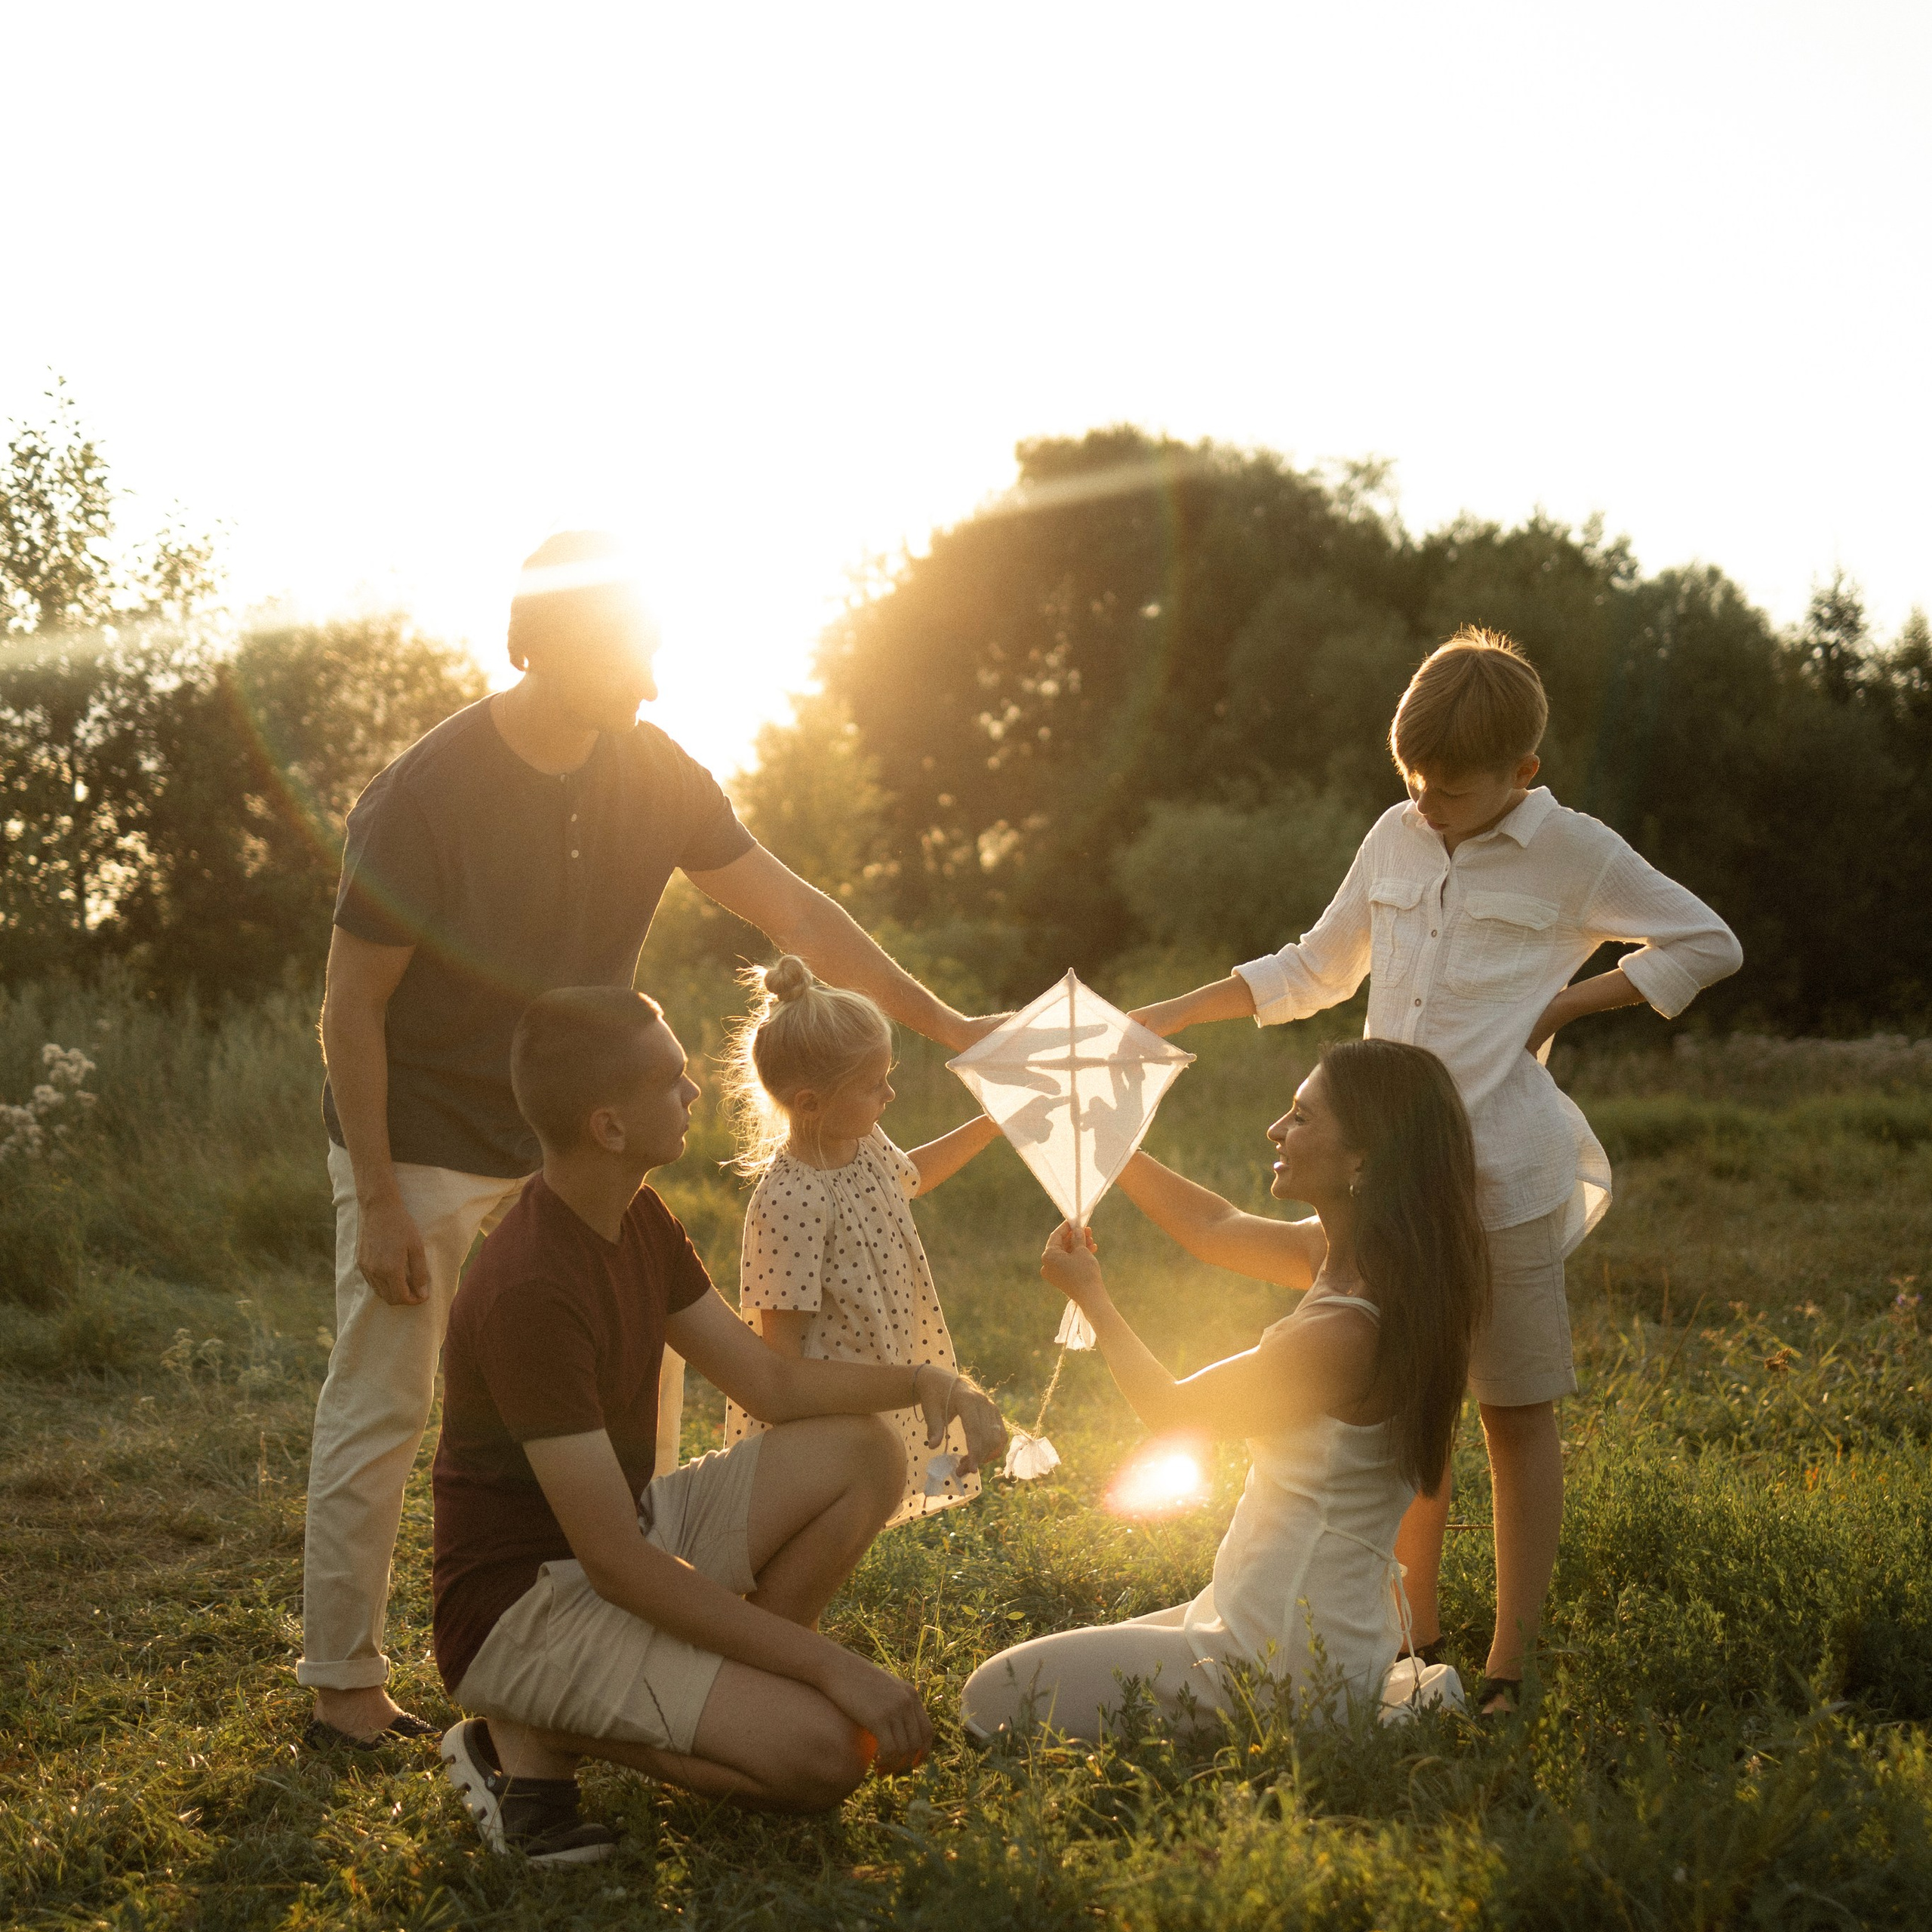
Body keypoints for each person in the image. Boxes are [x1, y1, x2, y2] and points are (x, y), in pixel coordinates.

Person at [303, 531, 1000, 1748]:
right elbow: (351, 1004)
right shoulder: (427, 794)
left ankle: (648, 1649)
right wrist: (374, 1196)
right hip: (420, 1138)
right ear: (551, 641)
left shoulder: (655, 770)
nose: (654, 679)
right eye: (633, 651)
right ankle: (345, 1689)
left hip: (585, 1138)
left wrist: (942, 1020)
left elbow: (795, 910)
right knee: (390, 1404)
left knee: (638, 1407)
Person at [1130, 629, 1742, 1710]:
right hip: (1386, 1175)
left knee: (1513, 1411)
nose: (1427, 806)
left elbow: (1707, 943)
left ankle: (1506, 1668)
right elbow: (1318, 966)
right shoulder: (1396, 836)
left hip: (1503, 1175)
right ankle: (1409, 1639)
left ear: (1525, 774)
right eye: (1412, 782)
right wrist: (1177, 1008)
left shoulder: (1578, 854)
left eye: (1450, 790)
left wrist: (1565, 1002)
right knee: (1406, 1403)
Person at [434, 986, 1008, 1862]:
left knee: (866, 1449)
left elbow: (772, 1382)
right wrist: (825, 1664)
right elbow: (616, 1567)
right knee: (829, 1753)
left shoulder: (636, 1213)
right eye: (670, 1080)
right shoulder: (531, 1290)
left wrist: (931, 1378)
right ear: (608, 1127)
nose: (696, 1089)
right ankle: (521, 1733)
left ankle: (706, 1687)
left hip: (625, 1533)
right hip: (522, 1605)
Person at [961, 1039, 1487, 1742]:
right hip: (1280, 1624)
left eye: (1301, 1117)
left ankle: (1296, 1722)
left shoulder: (1345, 1332)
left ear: (1363, 1159)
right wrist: (1103, 1140)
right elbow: (1212, 1227)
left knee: (993, 1698)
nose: (1277, 1129)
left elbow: (1173, 1412)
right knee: (1049, 1674)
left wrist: (1093, 1296)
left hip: (1277, 1660)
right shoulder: (1368, 1263)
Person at [719, 955, 1002, 1523]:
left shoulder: (863, 1141)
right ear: (810, 1104)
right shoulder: (790, 1200)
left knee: (865, 1515)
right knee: (822, 1528)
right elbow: (782, 1364)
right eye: (874, 1084)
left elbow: (911, 1178)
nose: (890, 1095)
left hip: (882, 1378)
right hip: (827, 1414)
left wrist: (996, 1120)